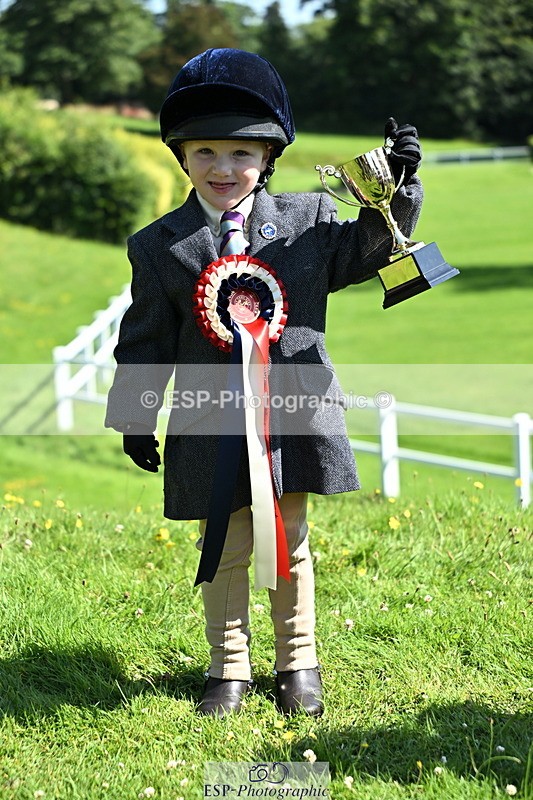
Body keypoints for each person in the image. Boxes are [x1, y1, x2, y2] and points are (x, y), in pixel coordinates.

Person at [105, 48, 423, 717]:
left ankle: (297, 662)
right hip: (205, 422)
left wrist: (395, 191)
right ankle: (228, 670)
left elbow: (368, 251)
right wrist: (136, 415)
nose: (223, 169)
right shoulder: (157, 245)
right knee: (222, 546)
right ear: (182, 158)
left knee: (291, 537)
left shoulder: (308, 221)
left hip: (292, 416)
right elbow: (145, 341)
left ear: (269, 156)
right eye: (205, 153)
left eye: (241, 154)